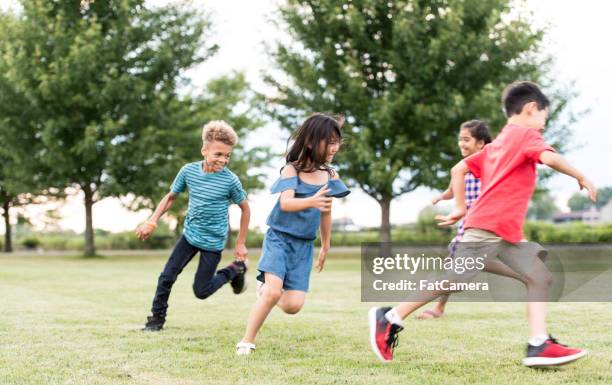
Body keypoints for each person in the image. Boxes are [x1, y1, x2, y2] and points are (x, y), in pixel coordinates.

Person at [369, 81, 596, 367]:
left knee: (540, 277)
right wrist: (580, 175)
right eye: (543, 118)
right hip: (489, 226)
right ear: (531, 109)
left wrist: (460, 207)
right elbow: (549, 157)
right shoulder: (525, 135)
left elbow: (459, 168)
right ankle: (389, 318)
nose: (542, 126)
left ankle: (539, 344)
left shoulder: (501, 142)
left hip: (505, 232)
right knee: (455, 279)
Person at [235, 113, 350, 355]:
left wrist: (326, 245)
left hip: (304, 246)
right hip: (279, 238)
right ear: (309, 142)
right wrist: (312, 199)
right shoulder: (291, 170)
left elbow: (326, 213)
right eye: (328, 142)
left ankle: (266, 290)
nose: (334, 147)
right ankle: (247, 341)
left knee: (293, 306)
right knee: (274, 291)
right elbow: (286, 204)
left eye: (336, 142)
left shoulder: (331, 176)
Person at [137, 120, 251, 331]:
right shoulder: (188, 171)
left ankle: (235, 269)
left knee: (202, 291)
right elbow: (171, 197)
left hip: (213, 241)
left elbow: (245, 209)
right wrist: (152, 220)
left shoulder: (230, 181)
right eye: (218, 154)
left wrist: (240, 244)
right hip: (190, 235)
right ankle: (155, 320)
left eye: (227, 155)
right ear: (204, 151)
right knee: (166, 277)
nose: (223, 160)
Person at [416, 120, 492, 320]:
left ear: (481, 143)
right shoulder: (461, 168)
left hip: (484, 225)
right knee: (453, 266)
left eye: (466, 139)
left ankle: (437, 307)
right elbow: (451, 191)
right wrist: (441, 197)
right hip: (467, 226)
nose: (461, 144)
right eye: (460, 139)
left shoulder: (490, 165)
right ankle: (439, 307)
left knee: (456, 268)